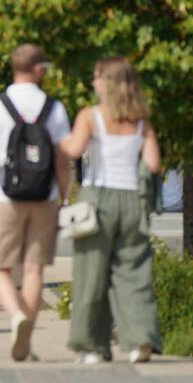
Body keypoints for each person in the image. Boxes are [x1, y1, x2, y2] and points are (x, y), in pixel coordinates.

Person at [0, 44, 70, 362]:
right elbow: (63, 162)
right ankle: (29, 336)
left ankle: (15, 315)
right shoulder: (55, 108)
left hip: (2, 196)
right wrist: (63, 198)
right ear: (39, 70)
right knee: (34, 269)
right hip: (44, 195)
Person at [60, 57, 162, 364]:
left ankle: (91, 347)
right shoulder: (142, 120)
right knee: (133, 274)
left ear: (107, 83)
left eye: (96, 77)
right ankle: (139, 340)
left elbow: (74, 149)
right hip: (132, 200)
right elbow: (154, 164)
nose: (93, 83)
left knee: (91, 274)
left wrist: (59, 139)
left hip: (97, 199)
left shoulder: (91, 116)